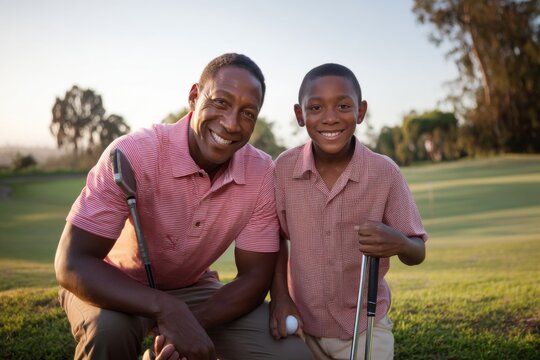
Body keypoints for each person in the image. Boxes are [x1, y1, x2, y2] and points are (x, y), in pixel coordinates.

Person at [54, 53, 313, 360]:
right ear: (194, 97)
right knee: (110, 333)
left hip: (193, 288)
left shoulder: (261, 173)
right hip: (112, 283)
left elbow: (255, 278)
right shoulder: (133, 154)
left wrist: (188, 324)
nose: (231, 124)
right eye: (220, 102)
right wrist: (166, 308)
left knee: (290, 354)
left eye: (247, 113)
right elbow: (72, 263)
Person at [269, 63, 427, 360]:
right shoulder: (283, 169)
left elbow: (417, 250)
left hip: (366, 327)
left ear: (361, 111)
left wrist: (400, 243)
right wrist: (280, 297)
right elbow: (274, 238)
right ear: (300, 115)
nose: (330, 118)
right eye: (315, 107)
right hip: (301, 326)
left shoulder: (385, 173)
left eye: (343, 105)